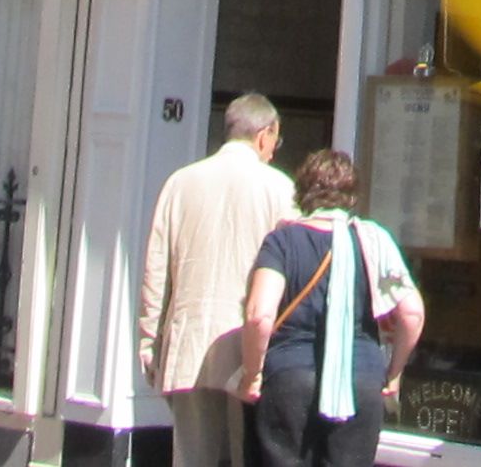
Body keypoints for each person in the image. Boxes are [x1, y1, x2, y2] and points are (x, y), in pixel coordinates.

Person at [240, 149, 423, 467]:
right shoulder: (374, 240)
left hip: (290, 378)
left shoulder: (282, 241)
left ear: (303, 192)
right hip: (360, 381)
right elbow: (412, 314)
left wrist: (252, 374)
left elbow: (259, 316)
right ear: (351, 196)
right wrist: (393, 373)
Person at [146, 94, 297, 467]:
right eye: (275, 142)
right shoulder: (279, 188)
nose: (273, 151)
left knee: (192, 457)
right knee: (245, 455)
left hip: (188, 341)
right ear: (264, 135)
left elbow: (156, 269)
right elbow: (292, 271)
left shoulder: (180, 183)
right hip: (248, 348)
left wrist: (149, 340)